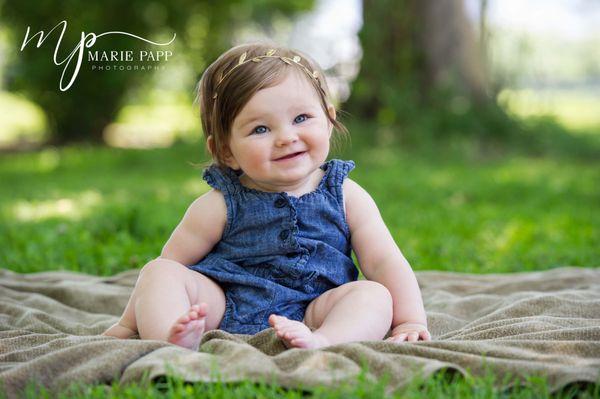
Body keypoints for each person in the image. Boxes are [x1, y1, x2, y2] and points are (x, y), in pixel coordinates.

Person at [103, 42, 431, 351]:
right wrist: (126, 323)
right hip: (224, 305)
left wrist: (410, 319)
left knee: (373, 295)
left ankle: (323, 341)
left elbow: (384, 261)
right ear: (225, 151)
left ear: (329, 121)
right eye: (261, 129)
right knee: (161, 272)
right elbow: (168, 266)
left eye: (301, 118)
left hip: (316, 309)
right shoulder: (219, 205)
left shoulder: (345, 195)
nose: (286, 138)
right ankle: (172, 337)